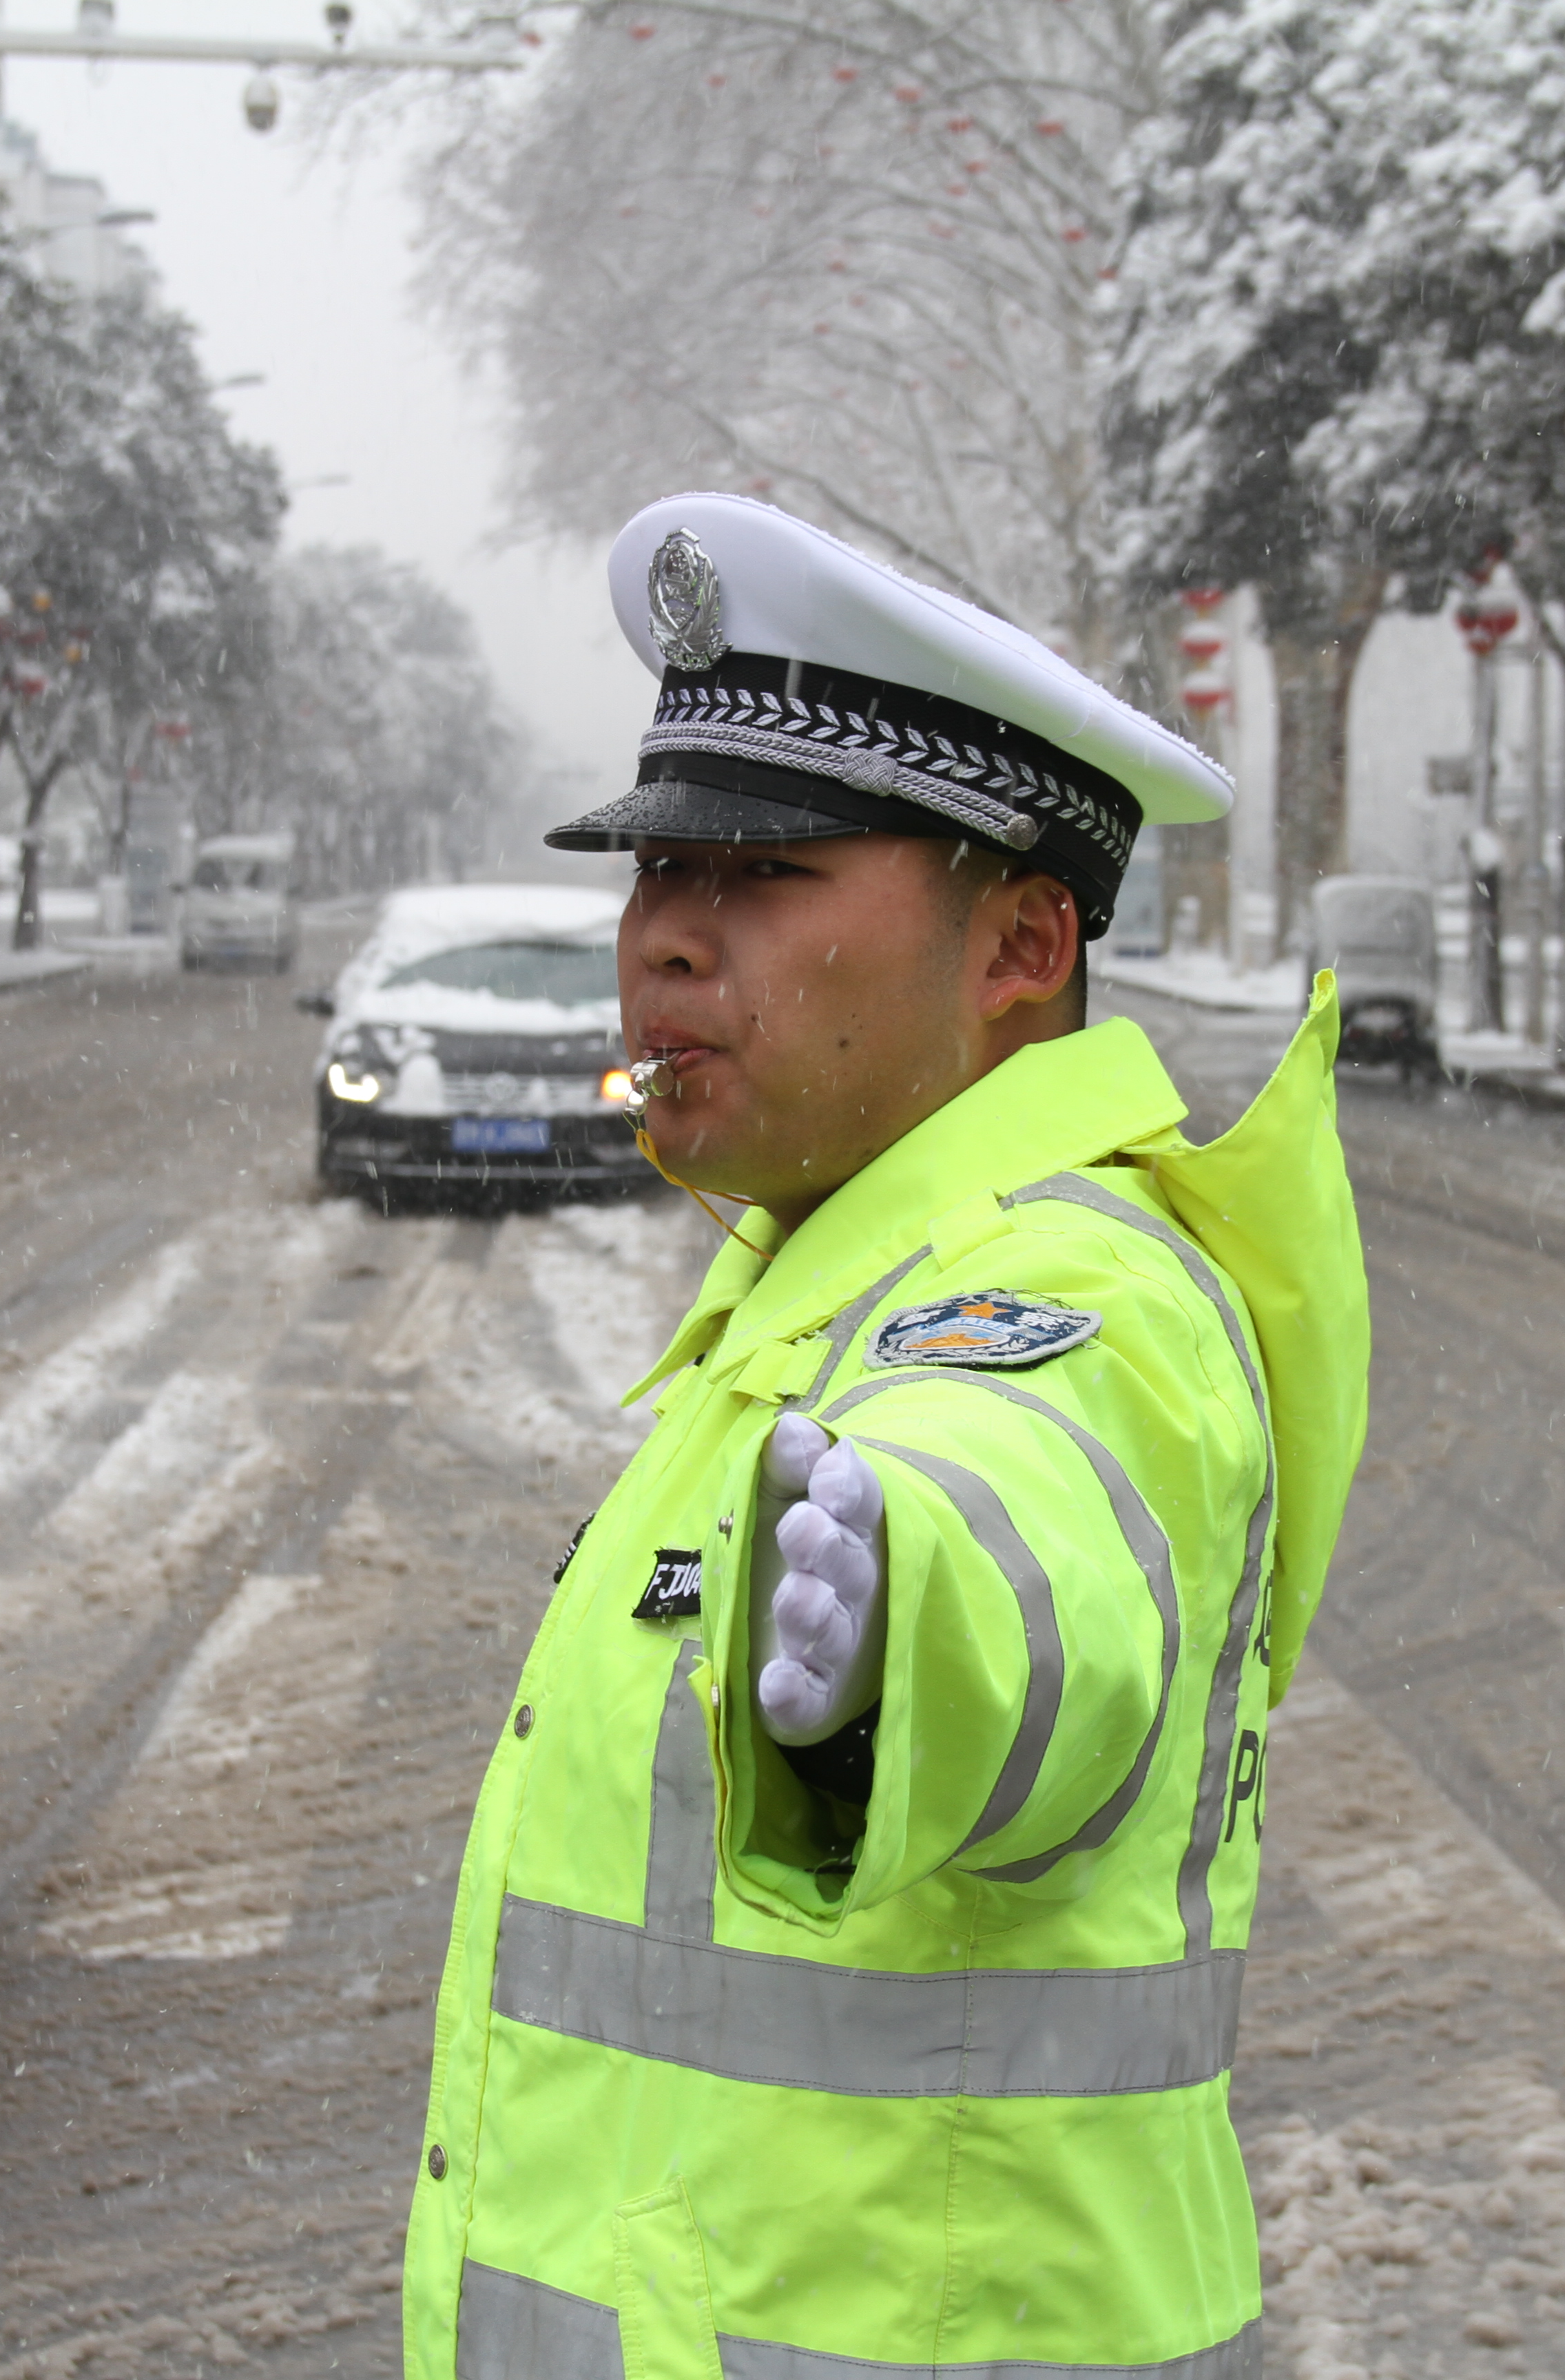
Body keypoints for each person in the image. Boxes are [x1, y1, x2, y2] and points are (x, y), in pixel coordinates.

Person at [404, 492, 1369, 2380]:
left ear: (1019, 946)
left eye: (758, 880)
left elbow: (1023, 1548)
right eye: (649, 878)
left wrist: (900, 1640)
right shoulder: (822, 1288)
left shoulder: (1081, 1299)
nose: (661, 948)